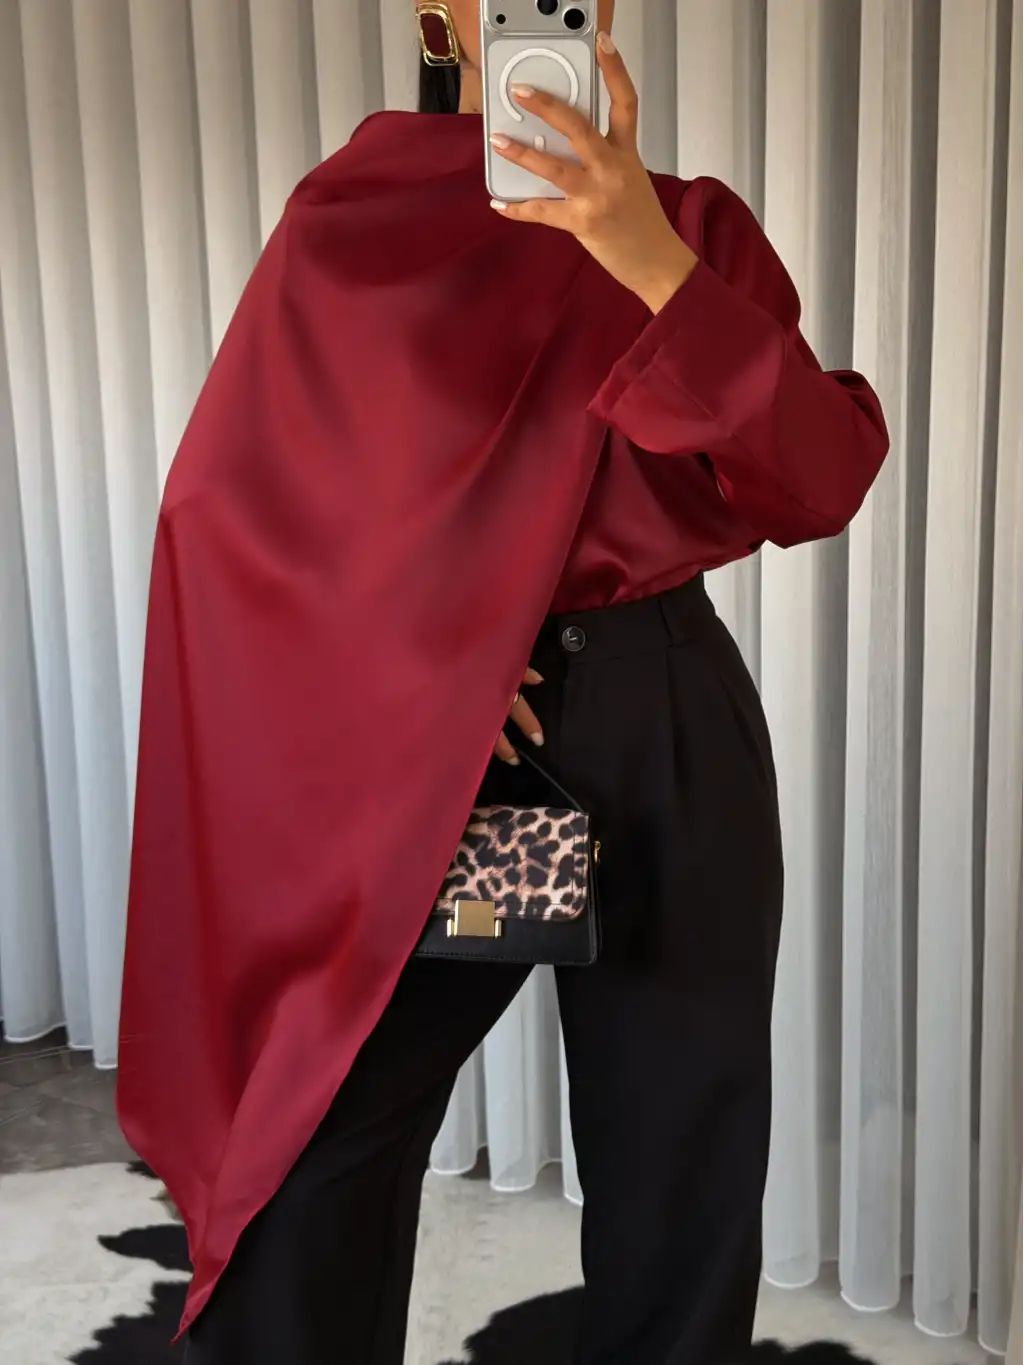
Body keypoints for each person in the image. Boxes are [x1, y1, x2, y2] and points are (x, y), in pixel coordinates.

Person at [116, 3, 889, 1362]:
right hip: (456, 747)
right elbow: (235, 512)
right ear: (438, 17)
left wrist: (648, 261)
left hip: (669, 712)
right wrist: (427, 662)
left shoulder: (691, 226)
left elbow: (818, 479)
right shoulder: (347, 225)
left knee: (682, 1167)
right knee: (319, 1140)